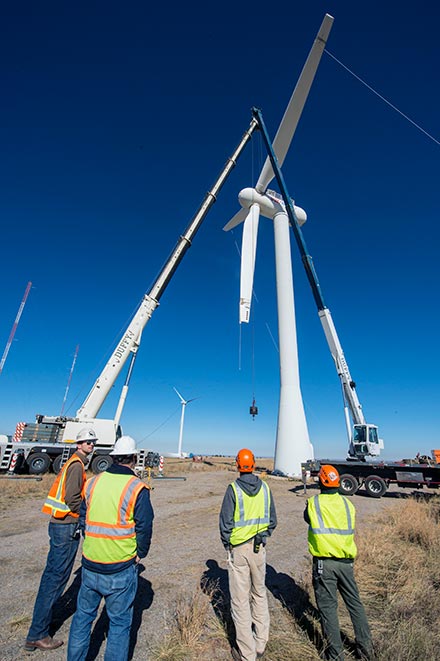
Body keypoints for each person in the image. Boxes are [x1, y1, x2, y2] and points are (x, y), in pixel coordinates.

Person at [67, 435, 154, 661]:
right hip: (120, 567)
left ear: (114, 457)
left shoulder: (93, 482)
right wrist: (140, 554)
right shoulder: (137, 487)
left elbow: (83, 517)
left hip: (90, 563)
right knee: (119, 625)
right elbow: (145, 526)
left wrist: (94, 542)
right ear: (134, 458)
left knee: (82, 618)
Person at [25, 427, 97, 652]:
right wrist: (85, 516)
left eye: (92, 442)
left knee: (53, 578)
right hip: (66, 526)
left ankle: (39, 628)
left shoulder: (74, 463)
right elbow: (72, 498)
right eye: (87, 442)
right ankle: (38, 633)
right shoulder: (76, 465)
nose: (91, 446)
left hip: (60, 526)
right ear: (79, 445)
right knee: (55, 580)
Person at [304, 464, 373, 660]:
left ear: (320, 481)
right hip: (346, 563)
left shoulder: (313, 503)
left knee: (328, 609)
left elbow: (307, 518)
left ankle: (335, 655)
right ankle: (366, 650)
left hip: (324, 564)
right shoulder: (348, 505)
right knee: (355, 605)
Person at [219, 448, 277, 661]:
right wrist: (264, 535)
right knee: (259, 593)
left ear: (237, 464)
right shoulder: (266, 488)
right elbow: (273, 520)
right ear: (253, 464)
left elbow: (225, 523)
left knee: (240, 601)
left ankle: (247, 653)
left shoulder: (233, 489)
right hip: (259, 548)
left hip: (239, 550)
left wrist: (228, 544)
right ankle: (261, 643)